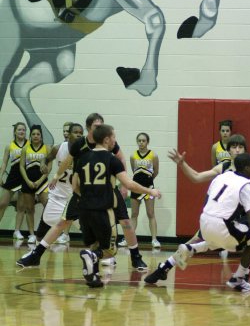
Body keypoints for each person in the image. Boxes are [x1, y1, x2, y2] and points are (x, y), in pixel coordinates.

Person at [17, 113, 147, 270]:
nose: (100, 129)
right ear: (88, 128)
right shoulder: (80, 144)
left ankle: (136, 257)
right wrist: (57, 176)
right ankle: (36, 255)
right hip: (83, 192)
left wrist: (124, 185)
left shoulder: (108, 141)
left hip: (107, 191)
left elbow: (121, 159)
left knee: (125, 222)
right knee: (63, 222)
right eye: (96, 127)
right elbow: (67, 161)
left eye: (101, 126)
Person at [145, 153, 250, 292]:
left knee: (216, 242)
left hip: (206, 220)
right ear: (246, 167)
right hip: (223, 225)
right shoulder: (246, 185)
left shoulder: (221, 176)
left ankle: (177, 258)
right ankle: (238, 279)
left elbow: (208, 200)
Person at [73, 124, 161, 288]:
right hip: (102, 210)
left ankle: (93, 275)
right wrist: (151, 191)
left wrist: (88, 196)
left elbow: (75, 186)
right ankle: (92, 256)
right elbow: (129, 184)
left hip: (83, 209)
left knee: (94, 242)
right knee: (110, 250)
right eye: (114, 137)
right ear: (107, 139)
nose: (115, 140)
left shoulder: (83, 158)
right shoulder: (112, 160)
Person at [34, 122, 84, 244]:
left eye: (80, 133)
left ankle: (102, 252)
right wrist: (43, 165)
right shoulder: (59, 148)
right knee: (43, 227)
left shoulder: (85, 152)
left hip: (75, 196)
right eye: (75, 132)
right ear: (69, 135)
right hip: (58, 194)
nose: (78, 135)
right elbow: (45, 159)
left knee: (87, 228)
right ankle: (36, 250)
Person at [121, 132, 160, 249]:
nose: (141, 143)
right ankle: (129, 239)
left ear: (147, 142)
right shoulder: (133, 156)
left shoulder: (153, 155)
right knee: (134, 214)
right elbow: (134, 171)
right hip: (136, 188)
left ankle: (154, 240)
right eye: (139, 140)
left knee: (150, 213)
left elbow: (156, 172)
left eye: (144, 140)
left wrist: (149, 183)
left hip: (149, 188)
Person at [19, 124, 53, 243]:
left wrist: (39, 181)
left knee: (48, 206)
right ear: (30, 136)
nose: (35, 136)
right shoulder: (25, 149)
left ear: (41, 136)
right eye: (33, 134)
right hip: (28, 182)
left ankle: (48, 232)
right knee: (29, 209)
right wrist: (28, 181)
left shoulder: (47, 148)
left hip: (42, 183)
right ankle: (32, 234)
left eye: (38, 134)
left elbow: (49, 166)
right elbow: (21, 167)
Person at [0, 121, 28, 239]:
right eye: (19, 130)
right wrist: (0, 175)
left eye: (23, 130)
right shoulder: (9, 146)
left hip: (25, 177)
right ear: (15, 132)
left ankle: (17, 231)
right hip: (13, 177)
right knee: (2, 204)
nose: (21, 132)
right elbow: (5, 162)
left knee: (21, 207)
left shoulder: (30, 144)